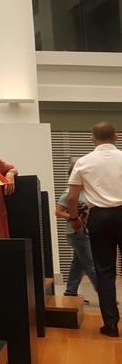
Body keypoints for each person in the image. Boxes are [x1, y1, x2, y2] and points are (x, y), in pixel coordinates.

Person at [68, 122, 122, 337]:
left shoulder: (84, 162)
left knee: (105, 271)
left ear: (93, 139)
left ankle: (110, 325)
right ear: (116, 137)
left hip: (99, 217)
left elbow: (72, 196)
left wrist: (74, 218)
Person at [55, 169, 97, 300]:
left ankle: (70, 292)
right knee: (91, 265)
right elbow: (58, 212)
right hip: (76, 233)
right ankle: (106, 293)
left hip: (86, 232)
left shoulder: (87, 192)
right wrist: (74, 218)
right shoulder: (68, 194)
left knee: (78, 264)